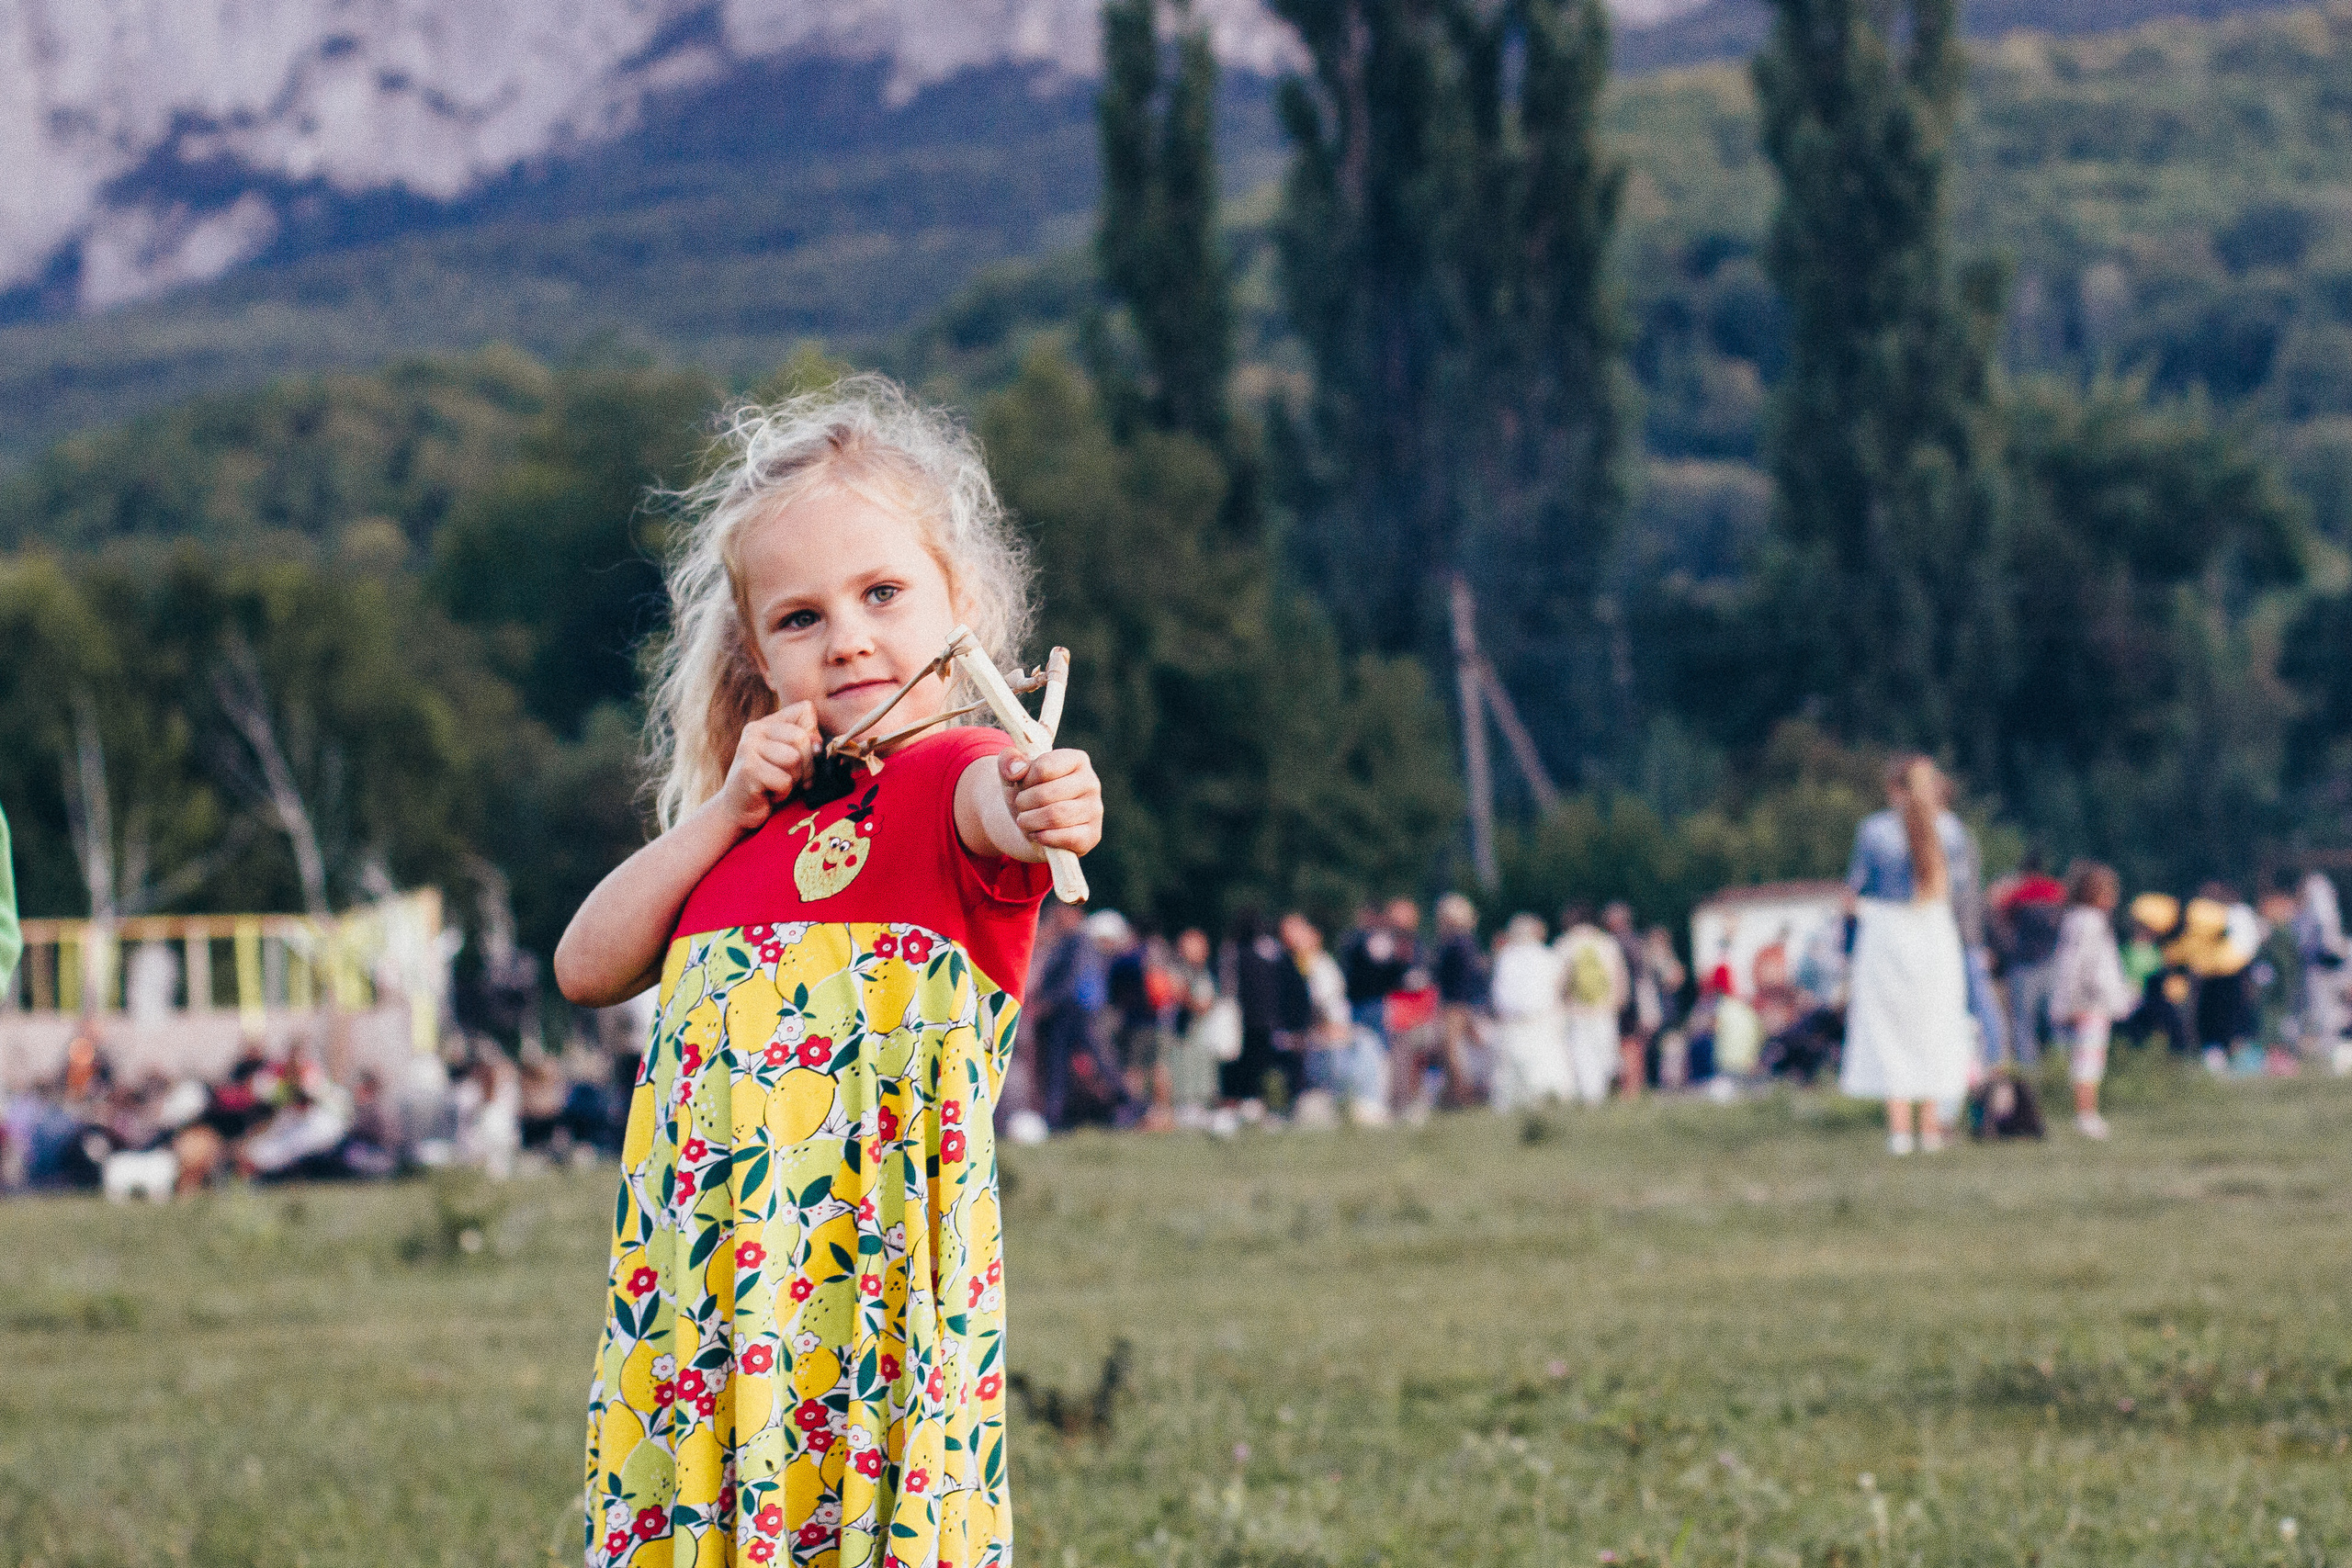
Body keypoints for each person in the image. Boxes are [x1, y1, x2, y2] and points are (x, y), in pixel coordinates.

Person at [553, 376, 1105, 1568]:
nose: (848, 633)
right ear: (754, 654)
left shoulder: (954, 775)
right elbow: (586, 963)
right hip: (707, 1287)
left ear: (958, 604)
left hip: (867, 1286)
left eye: (883, 592)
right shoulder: (742, 831)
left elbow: (1006, 808)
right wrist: (725, 807)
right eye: (799, 617)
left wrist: (1045, 793)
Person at [1840, 756, 1973, 1155]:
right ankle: (1931, 1131)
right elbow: (1962, 889)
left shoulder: (1875, 830)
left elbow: (1855, 890)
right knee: (1934, 1027)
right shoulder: (1951, 829)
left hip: (1886, 934)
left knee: (1888, 1031)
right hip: (1934, 931)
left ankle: (1899, 1133)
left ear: (1893, 789)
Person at [2052, 862, 2133, 1140]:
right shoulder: (2091, 922)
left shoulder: (2076, 919)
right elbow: (2081, 966)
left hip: (2087, 1002)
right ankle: (2086, 1115)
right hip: (2090, 1003)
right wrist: (2076, 1003)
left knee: (2088, 1059)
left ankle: (2086, 1113)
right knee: (2089, 1061)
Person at [1991, 849, 2067, 1069]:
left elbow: (1999, 921)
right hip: (2053, 962)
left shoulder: (2016, 893)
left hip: (2023, 966)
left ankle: (2029, 1073)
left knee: (2023, 1025)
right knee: (2056, 1022)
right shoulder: (2056, 889)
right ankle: (2060, 1070)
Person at [1488, 914, 1571, 1108]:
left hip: (1512, 1023)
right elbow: (1559, 988)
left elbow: (1498, 994)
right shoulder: (1548, 956)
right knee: (1544, 1067)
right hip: (1541, 1021)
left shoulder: (1505, 957)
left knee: (1511, 1072)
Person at [1554, 906, 1627, 1106]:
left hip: (1577, 1009)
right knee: (1605, 1051)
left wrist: (1560, 1005)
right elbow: (1619, 975)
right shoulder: (1607, 942)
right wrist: (1619, 1000)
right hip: (1605, 1008)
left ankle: (1591, 1096)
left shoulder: (1565, 943)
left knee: (1582, 1054)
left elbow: (1559, 982)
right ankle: (1603, 1090)